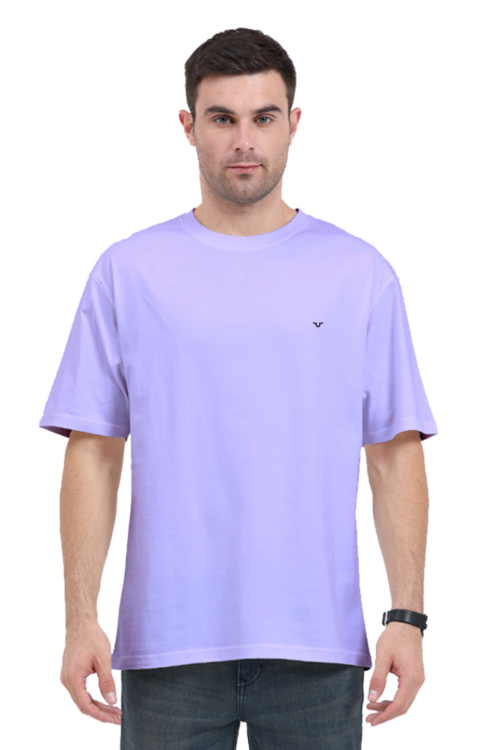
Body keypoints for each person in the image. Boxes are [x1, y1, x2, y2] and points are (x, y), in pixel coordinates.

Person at [38, 26, 438, 749]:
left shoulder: (360, 272)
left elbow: (394, 451)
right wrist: (78, 619)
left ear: (294, 123)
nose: (244, 141)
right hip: (168, 646)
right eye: (222, 118)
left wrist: (406, 617)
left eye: (263, 117)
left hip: (319, 643)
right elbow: (93, 453)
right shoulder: (128, 270)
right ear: (188, 126)